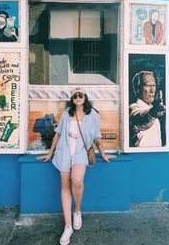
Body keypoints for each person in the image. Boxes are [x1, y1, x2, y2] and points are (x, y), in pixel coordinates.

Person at [37, 87, 116, 245]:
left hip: (80, 152)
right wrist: (50, 152)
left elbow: (97, 137)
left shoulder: (93, 114)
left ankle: (77, 210)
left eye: (80, 95)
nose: (78, 98)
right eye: (75, 96)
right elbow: (58, 134)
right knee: (65, 185)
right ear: (72, 99)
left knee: (77, 181)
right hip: (64, 152)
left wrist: (103, 153)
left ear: (85, 97)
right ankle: (68, 226)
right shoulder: (67, 113)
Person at [129, 71, 166, 147]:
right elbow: (141, 120)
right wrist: (153, 113)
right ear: (137, 89)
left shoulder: (153, 110)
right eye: (148, 85)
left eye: (154, 85)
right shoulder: (133, 108)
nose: (152, 90)